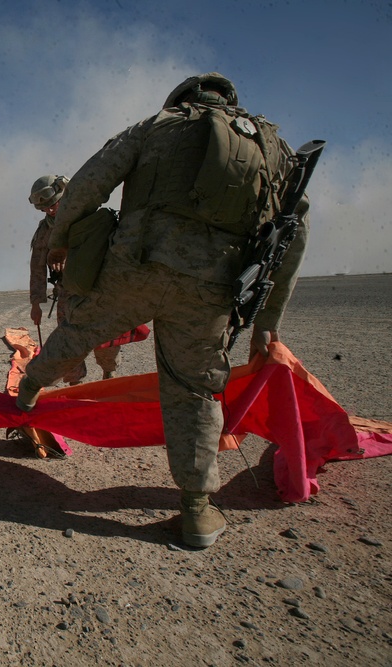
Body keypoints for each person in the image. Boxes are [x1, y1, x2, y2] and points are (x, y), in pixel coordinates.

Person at [15, 73, 309, 548]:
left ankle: (28, 391)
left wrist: (63, 241)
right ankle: (195, 508)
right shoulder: (276, 150)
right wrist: (268, 319)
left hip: (135, 270)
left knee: (77, 333)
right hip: (212, 289)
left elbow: (91, 183)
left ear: (182, 98)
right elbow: (294, 231)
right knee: (192, 389)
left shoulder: (158, 126)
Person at [28, 174, 119, 384]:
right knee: (68, 342)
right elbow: (37, 267)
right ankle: (75, 386)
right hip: (67, 293)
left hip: (100, 289)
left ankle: (109, 375)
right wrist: (36, 302)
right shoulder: (44, 231)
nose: (50, 210)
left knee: (105, 339)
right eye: (45, 208)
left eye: (53, 204)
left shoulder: (89, 217)